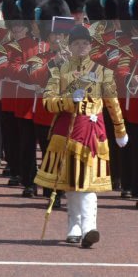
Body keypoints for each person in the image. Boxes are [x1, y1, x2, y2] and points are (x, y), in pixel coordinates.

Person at [35, 25, 128, 248]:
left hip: (92, 132)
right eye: (77, 44)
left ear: (90, 46)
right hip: (67, 131)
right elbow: (47, 102)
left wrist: (120, 129)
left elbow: (112, 103)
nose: (81, 47)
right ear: (70, 46)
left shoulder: (102, 72)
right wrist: (68, 101)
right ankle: (74, 226)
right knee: (71, 180)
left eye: (85, 44)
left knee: (87, 183)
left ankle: (89, 227)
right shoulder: (60, 71)